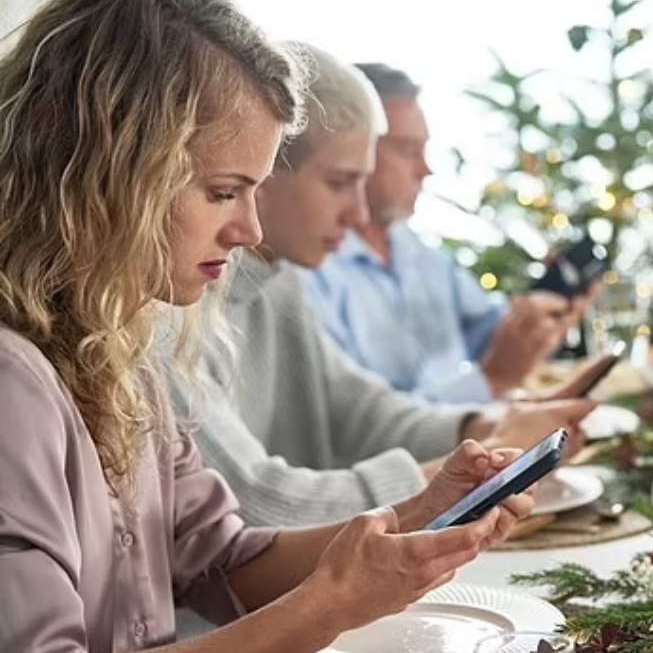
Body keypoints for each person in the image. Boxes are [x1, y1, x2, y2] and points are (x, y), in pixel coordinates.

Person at [0, 0, 531, 651]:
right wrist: (329, 606)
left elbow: (226, 558)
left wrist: (419, 513)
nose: (249, 230)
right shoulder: (13, 379)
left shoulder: (121, 356)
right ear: (110, 171)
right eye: (224, 192)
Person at [169, 43, 597, 529]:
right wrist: (449, 481)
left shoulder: (277, 280)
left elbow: (361, 412)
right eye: (338, 182)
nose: (360, 214)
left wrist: (484, 431)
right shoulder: (173, 304)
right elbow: (253, 504)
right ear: (265, 172)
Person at [305, 63, 585, 403]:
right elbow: (360, 426)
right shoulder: (310, 272)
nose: (426, 169)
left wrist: (539, 317)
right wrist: (492, 379)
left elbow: (488, 332)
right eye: (408, 150)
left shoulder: (421, 254)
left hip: (482, 434)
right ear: (357, 149)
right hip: (436, 450)